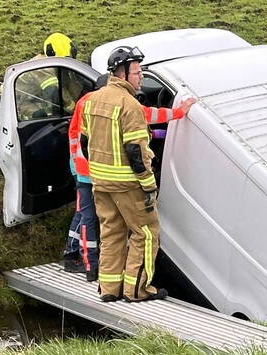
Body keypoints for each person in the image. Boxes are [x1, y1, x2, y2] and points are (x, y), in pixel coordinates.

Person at [62, 66, 196, 282]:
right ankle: (96, 268)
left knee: (90, 218)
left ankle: (86, 264)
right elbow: (144, 119)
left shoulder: (86, 102)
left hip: (88, 170)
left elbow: (78, 136)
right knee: (125, 229)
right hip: (98, 173)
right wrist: (179, 112)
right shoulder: (117, 102)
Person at [80, 46, 167, 302]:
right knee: (146, 233)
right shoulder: (129, 104)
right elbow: (136, 151)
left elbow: (86, 143)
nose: (140, 77)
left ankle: (109, 289)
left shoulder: (92, 99)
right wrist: (149, 184)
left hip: (100, 182)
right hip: (128, 184)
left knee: (111, 233)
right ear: (123, 73)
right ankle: (137, 289)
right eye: (137, 72)